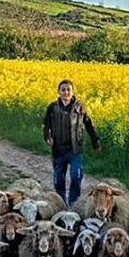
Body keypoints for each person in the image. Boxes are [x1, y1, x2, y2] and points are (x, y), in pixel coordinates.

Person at [43, 79, 101, 207]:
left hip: (75, 149)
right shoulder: (52, 108)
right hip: (58, 149)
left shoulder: (80, 107)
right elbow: (46, 125)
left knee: (76, 175)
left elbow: (89, 124)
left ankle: (73, 203)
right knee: (59, 179)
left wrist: (95, 142)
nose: (66, 92)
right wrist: (48, 137)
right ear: (58, 92)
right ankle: (62, 204)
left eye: (68, 89)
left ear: (72, 91)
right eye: (63, 90)